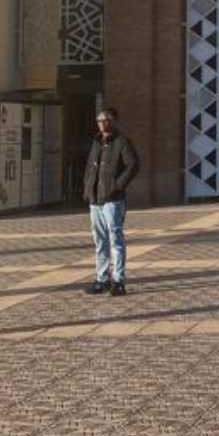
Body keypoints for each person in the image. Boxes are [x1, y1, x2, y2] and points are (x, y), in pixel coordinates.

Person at [85, 105, 141, 295]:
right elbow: (90, 167)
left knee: (115, 239)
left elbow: (133, 165)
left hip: (113, 200)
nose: (101, 123)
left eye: (104, 120)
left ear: (112, 121)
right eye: (99, 120)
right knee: (99, 240)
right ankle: (102, 279)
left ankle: (118, 280)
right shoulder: (96, 142)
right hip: (95, 199)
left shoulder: (122, 142)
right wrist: (87, 187)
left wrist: (117, 186)